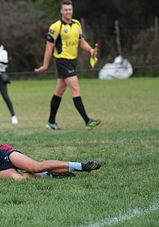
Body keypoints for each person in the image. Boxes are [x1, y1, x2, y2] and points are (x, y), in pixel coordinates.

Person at [35, 0, 100, 130]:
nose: (68, 12)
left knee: (59, 91)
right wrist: (45, 66)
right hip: (62, 61)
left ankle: (51, 122)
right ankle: (87, 121)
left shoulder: (77, 24)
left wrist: (91, 50)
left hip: (72, 61)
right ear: (61, 11)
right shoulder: (55, 27)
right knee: (76, 89)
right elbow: (49, 48)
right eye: (65, 10)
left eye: (70, 9)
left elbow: (81, 42)